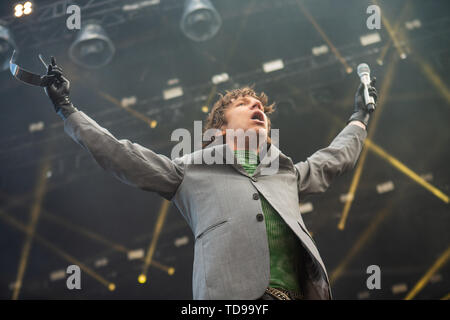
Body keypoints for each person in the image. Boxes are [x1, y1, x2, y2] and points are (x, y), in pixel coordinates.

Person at [43, 57, 377, 300]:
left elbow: (333, 160)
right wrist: (68, 109)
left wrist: (359, 117)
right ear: (219, 128)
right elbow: (121, 155)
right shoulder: (189, 170)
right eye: (245, 104)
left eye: (260, 105)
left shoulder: (285, 173)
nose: (257, 106)